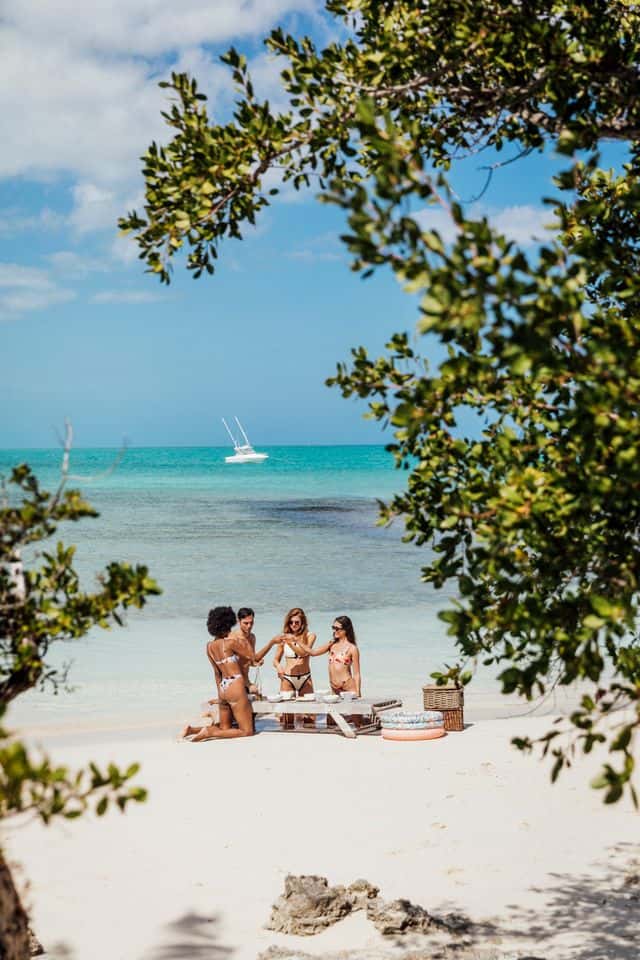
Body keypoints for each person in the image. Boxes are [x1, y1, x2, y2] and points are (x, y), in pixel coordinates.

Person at [182, 606, 256, 741]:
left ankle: (192, 730)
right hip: (235, 685)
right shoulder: (230, 643)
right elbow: (253, 657)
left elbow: (217, 673)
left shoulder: (209, 647)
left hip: (223, 688)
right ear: (227, 624)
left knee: (225, 728)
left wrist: (221, 696)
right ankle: (209, 732)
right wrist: (271, 642)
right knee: (247, 731)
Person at [306, 615, 361, 696]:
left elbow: (356, 673)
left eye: (337, 628)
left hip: (348, 686)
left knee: (349, 709)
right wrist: (297, 642)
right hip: (334, 687)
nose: (335, 631)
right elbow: (313, 653)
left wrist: (358, 692)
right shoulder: (332, 644)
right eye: (333, 627)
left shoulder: (352, 648)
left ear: (346, 629)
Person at [272, 607, 316, 697]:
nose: (293, 625)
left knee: (307, 709)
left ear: (302, 623)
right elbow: (275, 660)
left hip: (305, 678)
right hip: (288, 678)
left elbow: (304, 653)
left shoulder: (310, 636)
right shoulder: (283, 637)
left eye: (297, 622)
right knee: (287, 710)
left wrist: (291, 642)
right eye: (291, 622)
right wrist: (278, 667)